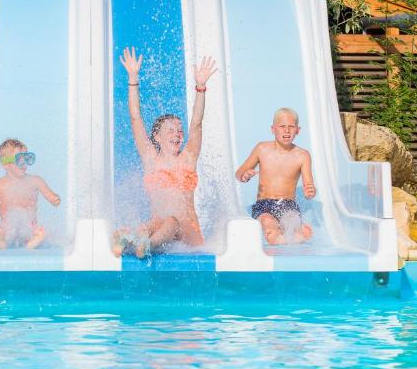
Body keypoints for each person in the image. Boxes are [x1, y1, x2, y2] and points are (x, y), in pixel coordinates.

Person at [114, 47, 217, 258]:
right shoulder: (150, 158)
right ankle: (133, 239)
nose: (177, 134)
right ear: (157, 137)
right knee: (152, 223)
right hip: (160, 226)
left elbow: (196, 123)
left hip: (188, 234)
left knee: (170, 220)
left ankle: (145, 245)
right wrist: (133, 78)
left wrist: (200, 87)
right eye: (170, 130)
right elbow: (135, 117)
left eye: (179, 130)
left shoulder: (188, 158)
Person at [235, 107, 316, 245]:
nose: (287, 130)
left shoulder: (302, 155)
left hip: (288, 204)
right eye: (282, 126)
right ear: (273, 129)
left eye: (291, 127)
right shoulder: (262, 149)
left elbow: (309, 185)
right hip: (264, 204)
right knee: (268, 223)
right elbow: (239, 173)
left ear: (298, 130)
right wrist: (245, 176)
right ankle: (284, 236)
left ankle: (295, 234)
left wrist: (310, 192)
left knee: (292, 221)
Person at [0, 138, 61, 249]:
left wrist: (55, 199)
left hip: (29, 230)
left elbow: (52, 198)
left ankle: (32, 242)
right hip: (8, 230)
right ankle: (2, 241)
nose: (24, 163)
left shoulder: (35, 181)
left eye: (27, 158)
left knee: (41, 232)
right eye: (19, 159)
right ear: (5, 164)